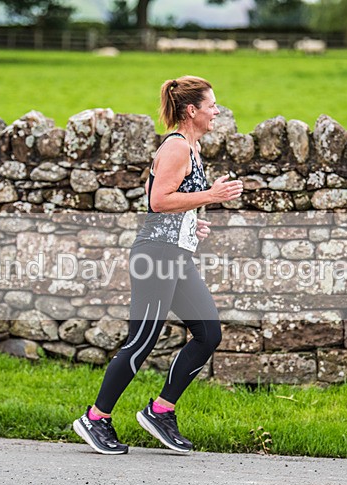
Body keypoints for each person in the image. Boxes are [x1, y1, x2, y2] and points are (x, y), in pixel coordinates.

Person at [72, 76, 244, 455]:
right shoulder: (177, 146)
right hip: (157, 257)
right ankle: (95, 418)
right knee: (141, 341)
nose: (217, 111)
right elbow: (157, 200)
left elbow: (170, 200)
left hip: (176, 254)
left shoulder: (193, 147)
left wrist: (191, 223)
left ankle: (161, 411)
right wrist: (211, 195)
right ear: (191, 110)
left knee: (208, 333)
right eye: (212, 105)